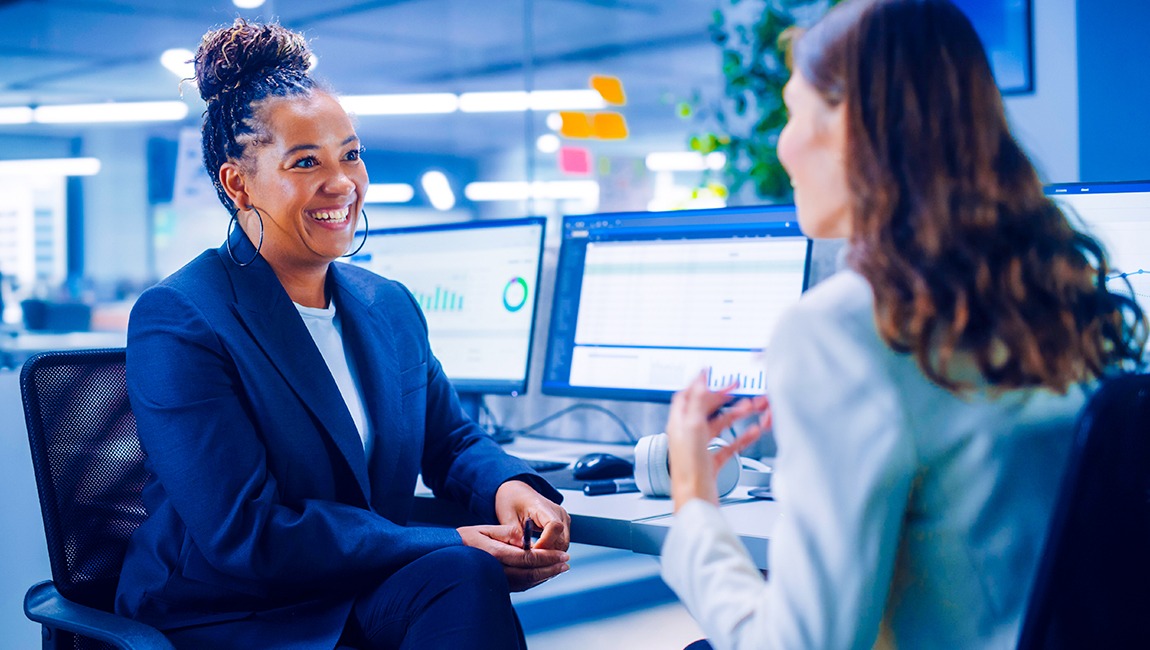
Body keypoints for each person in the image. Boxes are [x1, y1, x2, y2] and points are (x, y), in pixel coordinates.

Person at [658, 1, 1147, 649]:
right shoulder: (1063, 295)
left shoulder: (841, 330)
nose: (781, 145)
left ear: (853, 128)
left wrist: (693, 501)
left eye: (793, 113)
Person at [114, 20, 570, 650]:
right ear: (237, 184)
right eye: (306, 162)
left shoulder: (387, 304)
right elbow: (246, 533)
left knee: (457, 575)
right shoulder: (181, 318)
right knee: (458, 567)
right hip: (230, 611)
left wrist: (509, 487)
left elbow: (450, 439)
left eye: (350, 154)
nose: (342, 184)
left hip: (346, 587)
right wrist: (453, 538)